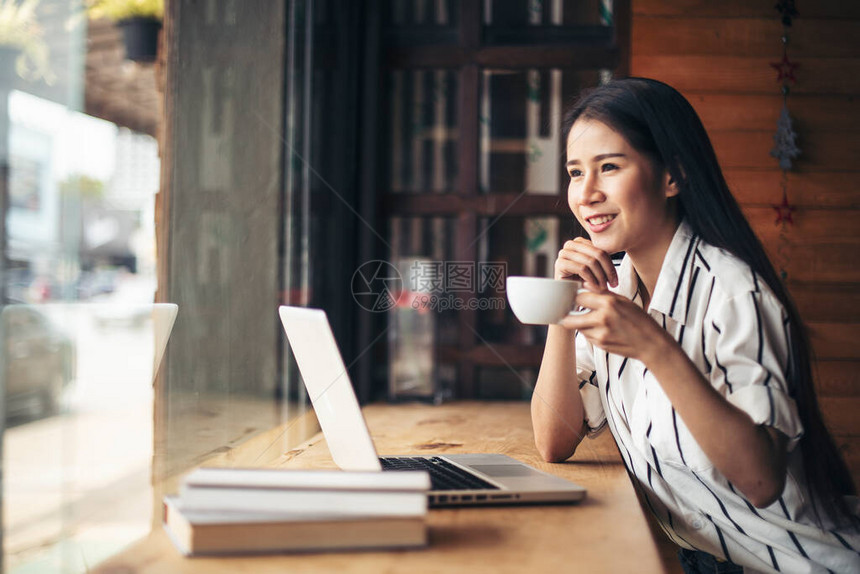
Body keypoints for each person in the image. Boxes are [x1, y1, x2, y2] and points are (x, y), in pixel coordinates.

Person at [531, 77, 859, 573]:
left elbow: (761, 482)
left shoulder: (733, 292)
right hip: (697, 561)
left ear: (672, 175)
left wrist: (656, 347)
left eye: (610, 167)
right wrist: (561, 307)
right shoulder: (613, 290)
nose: (587, 193)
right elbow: (554, 441)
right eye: (576, 173)